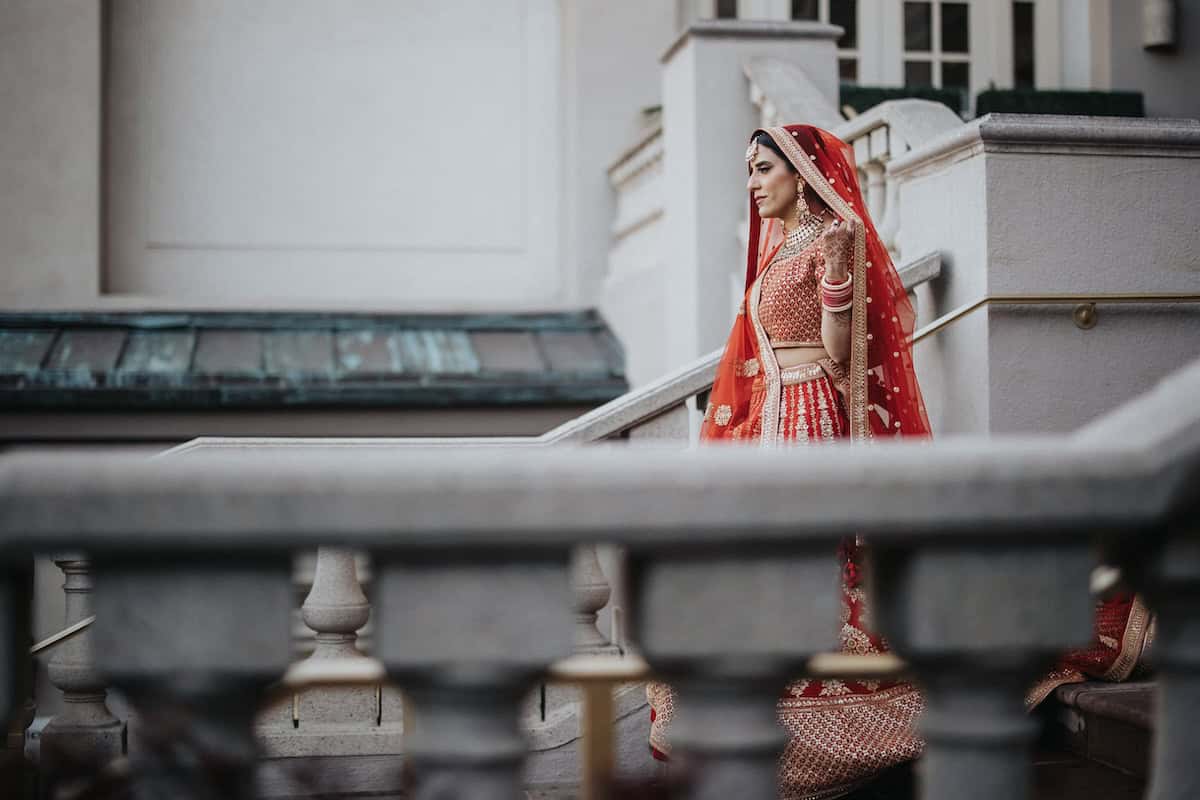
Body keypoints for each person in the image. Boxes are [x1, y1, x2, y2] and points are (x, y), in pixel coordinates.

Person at [645, 124, 1151, 799]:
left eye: (765, 169)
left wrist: (834, 274)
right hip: (773, 424)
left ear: (801, 172)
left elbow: (841, 351)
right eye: (749, 170)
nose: (754, 183)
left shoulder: (836, 236)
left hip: (810, 422)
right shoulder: (775, 246)